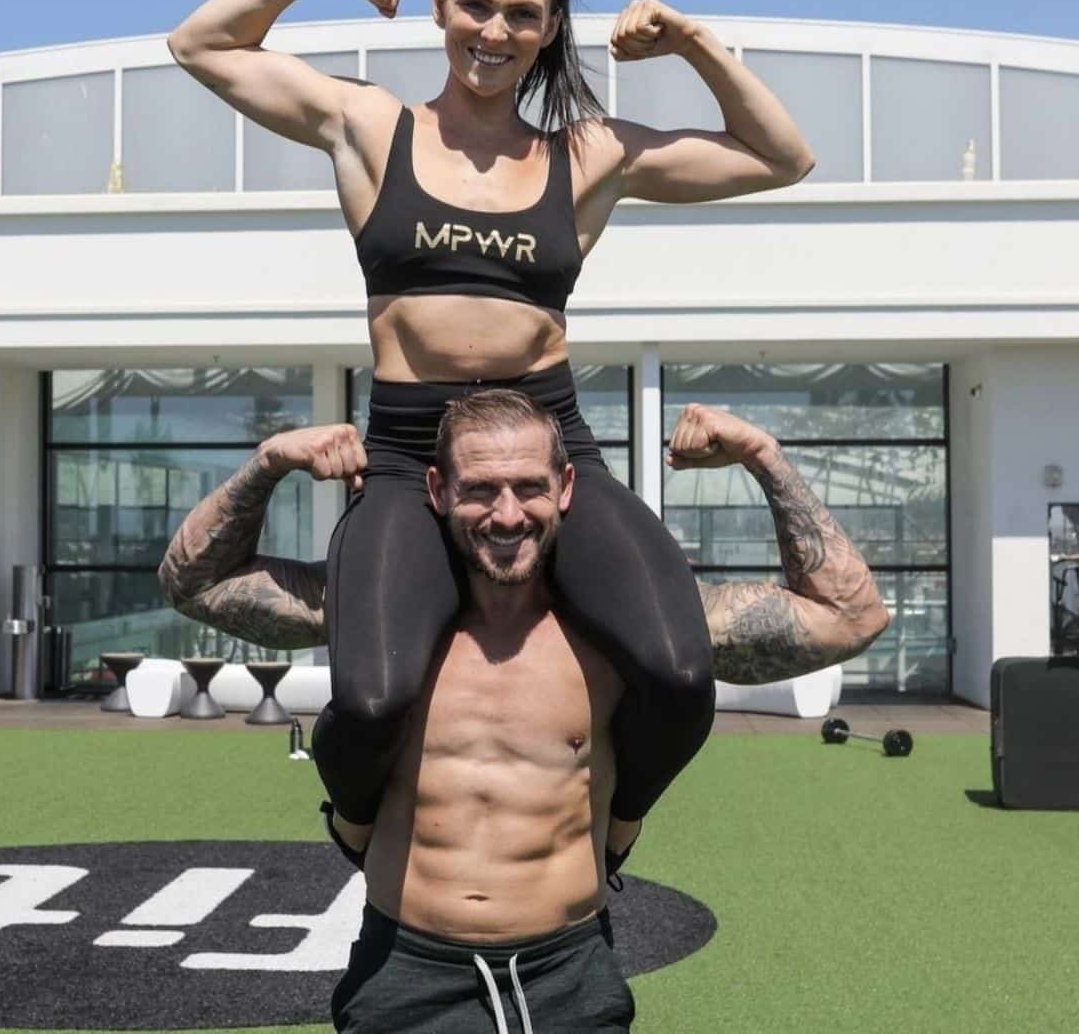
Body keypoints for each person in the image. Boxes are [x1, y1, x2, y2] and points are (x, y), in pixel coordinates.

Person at [167, 0, 817, 869]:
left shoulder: (588, 155)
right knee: (373, 701)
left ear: (550, 29)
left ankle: (617, 831)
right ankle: (353, 825)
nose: (494, 30)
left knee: (679, 677)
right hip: (406, 459)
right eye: (475, 5)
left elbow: (780, 157)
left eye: (522, 14)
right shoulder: (368, 126)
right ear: (439, 7)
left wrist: (690, 43)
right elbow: (200, 44)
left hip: (549, 453)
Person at [160, 397, 888, 1033]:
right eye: (480, 490)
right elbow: (190, 582)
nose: (507, 514)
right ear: (438, 490)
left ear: (566, 486)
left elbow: (848, 617)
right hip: (406, 973)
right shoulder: (375, 618)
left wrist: (764, 456)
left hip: (566, 972)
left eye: (528, 488)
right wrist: (267, 462)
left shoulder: (618, 632)